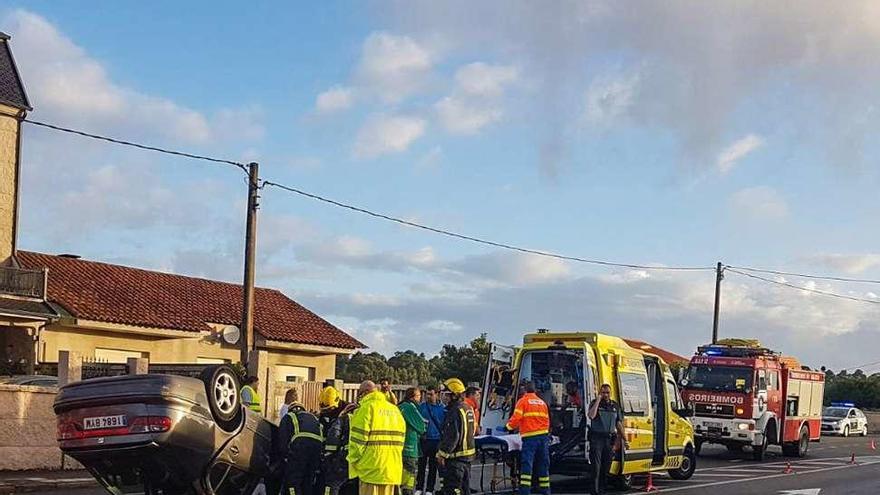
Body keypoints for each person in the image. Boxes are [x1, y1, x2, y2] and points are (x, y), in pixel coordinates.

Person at [347, 380, 406, 495]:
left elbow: (357, 442)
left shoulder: (366, 408)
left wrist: (352, 462)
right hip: (392, 471)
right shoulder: (395, 410)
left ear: (365, 393)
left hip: (371, 470)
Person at [506, 381, 550, 495]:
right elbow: (547, 420)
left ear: (524, 390)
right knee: (543, 464)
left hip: (530, 438)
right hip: (543, 437)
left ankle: (525, 491)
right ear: (535, 390)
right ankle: (545, 490)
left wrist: (507, 427)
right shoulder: (542, 403)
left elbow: (516, 418)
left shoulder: (523, 401)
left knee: (527, 464)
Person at [275, 398, 324, 495]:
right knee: (308, 481)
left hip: (300, 447)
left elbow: (282, 439)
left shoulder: (289, 416)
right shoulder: (314, 418)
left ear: (290, 409)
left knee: (292, 482)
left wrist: (285, 457)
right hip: (317, 450)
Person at [436, 378, 476, 495]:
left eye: (447, 395)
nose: (445, 398)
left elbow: (452, 436)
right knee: (464, 490)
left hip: (455, 460)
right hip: (467, 459)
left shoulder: (454, 411)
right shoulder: (468, 408)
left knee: (453, 489)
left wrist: (442, 454)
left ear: (455, 395)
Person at [587, 384, 626, 495]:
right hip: (597, 439)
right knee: (596, 467)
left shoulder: (615, 406)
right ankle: (594, 492)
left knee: (606, 468)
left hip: (609, 440)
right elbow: (591, 416)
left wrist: (624, 439)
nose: (605, 395)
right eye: (603, 392)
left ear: (610, 393)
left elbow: (618, 423)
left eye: (607, 392)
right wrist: (598, 400)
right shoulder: (595, 403)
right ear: (600, 393)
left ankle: (602, 490)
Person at [320, 386, 357, 495]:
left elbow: (334, 436)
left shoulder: (346, 413)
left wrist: (328, 455)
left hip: (343, 455)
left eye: (329, 409)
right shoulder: (325, 413)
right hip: (351, 455)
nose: (327, 412)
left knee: (332, 483)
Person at [417, 386, 446, 495]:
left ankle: (429, 489)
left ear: (437, 394)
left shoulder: (443, 408)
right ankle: (419, 487)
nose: (428, 396)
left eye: (431, 394)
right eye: (427, 394)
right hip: (424, 440)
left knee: (433, 467)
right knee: (421, 465)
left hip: (436, 441)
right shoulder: (422, 407)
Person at [400, 387, 427, 495]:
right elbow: (422, 424)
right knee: (409, 477)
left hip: (399, 447)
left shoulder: (400, 406)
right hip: (410, 448)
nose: (420, 398)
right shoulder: (410, 407)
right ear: (413, 397)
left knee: (400, 476)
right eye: (419, 396)